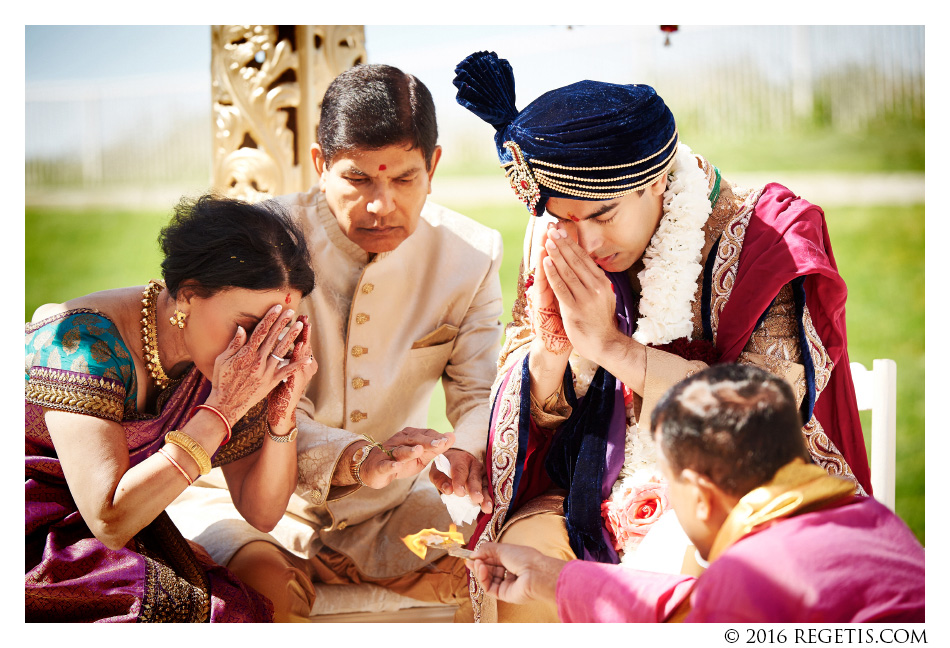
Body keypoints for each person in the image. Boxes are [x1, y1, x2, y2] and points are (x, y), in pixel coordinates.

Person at [452, 50, 872, 622]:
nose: (588, 243)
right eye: (564, 218)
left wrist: (613, 349)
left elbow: (766, 414)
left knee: (678, 560)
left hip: (738, 485)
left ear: (658, 180)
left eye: (603, 214)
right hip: (592, 485)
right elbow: (535, 415)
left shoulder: (766, 239)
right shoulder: (558, 238)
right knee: (521, 559)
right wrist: (553, 353)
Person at [165, 63, 504, 622]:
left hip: (394, 508)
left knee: (497, 576)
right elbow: (262, 400)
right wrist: (358, 458)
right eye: (358, 179)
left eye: (403, 179)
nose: (381, 205)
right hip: (262, 509)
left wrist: (466, 449)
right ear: (321, 164)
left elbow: (479, 390)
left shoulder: (470, 255)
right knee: (262, 597)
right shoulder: (265, 247)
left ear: (434, 166)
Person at [25, 195, 320, 622]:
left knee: (238, 607)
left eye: (281, 328)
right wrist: (223, 410)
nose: (266, 348)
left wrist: (281, 413)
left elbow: (262, 512)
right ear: (186, 295)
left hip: (123, 528)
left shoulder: (226, 364)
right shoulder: (81, 342)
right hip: (34, 527)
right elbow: (109, 519)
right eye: (253, 326)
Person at [466, 363, 925, 623]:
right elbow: (682, 605)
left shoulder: (753, 574)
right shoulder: (880, 522)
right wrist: (549, 575)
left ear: (701, 496)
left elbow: (684, 619)